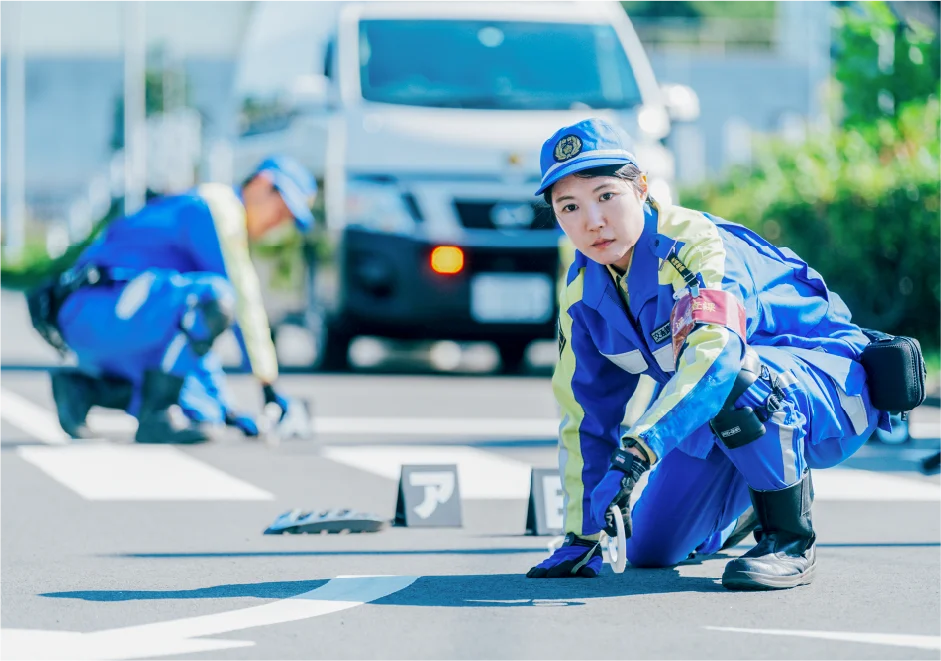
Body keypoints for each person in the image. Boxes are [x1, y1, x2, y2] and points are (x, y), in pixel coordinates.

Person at [525, 118, 892, 590]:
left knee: (737, 373)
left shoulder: (695, 244)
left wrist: (640, 448)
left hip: (829, 385)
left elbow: (717, 356)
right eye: (569, 206)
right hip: (718, 410)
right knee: (650, 551)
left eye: (605, 196)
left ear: (641, 188)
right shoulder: (581, 291)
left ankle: (788, 538)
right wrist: (586, 534)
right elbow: (584, 415)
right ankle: (744, 502)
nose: (592, 221)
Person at [37, 155, 318, 444]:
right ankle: (156, 415)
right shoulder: (217, 208)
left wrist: (227, 410)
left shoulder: (208, 215)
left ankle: (83, 390)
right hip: (99, 307)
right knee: (215, 297)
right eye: (281, 211)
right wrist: (269, 388)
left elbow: (194, 338)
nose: (278, 224)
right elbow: (241, 302)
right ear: (262, 183)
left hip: (114, 318)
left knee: (206, 413)